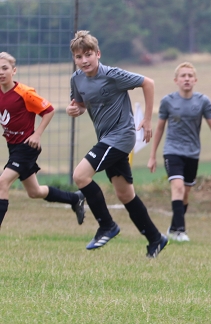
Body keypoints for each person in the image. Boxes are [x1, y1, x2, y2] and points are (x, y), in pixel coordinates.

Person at [66, 30, 167, 258]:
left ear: (98, 54)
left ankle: (107, 226)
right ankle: (155, 238)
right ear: (75, 58)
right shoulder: (76, 79)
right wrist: (74, 110)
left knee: (80, 176)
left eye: (88, 54)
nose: (84, 60)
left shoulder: (112, 75)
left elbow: (148, 83)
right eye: (79, 56)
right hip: (106, 139)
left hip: (121, 136)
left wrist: (148, 119)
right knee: (125, 194)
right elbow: (80, 105)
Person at [147, 62, 211, 241]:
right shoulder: (168, 102)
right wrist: (152, 156)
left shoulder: (203, 102)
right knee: (177, 187)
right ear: (176, 80)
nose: (186, 79)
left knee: (185, 194)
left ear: (195, 80)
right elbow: (160, 128)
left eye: (190, 76)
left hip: (192, 153)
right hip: (172, 151)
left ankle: (173, 227)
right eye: (183, 76)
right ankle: (180, 232)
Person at [0, 52, 85, 229]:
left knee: (2, 182)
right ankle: (75, 198)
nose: (1, 72)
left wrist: (37, 134)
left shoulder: (24, 93)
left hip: (27, 146)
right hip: (13, 146)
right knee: (34, 192)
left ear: (13, 71)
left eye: (4, 68)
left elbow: (49, 110)